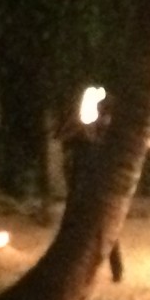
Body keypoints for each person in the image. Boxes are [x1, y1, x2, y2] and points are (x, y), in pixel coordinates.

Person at [58, 94, 124, 282]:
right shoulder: (81, 133)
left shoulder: (107, 133)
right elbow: (62, 136)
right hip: (81, 187)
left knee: (106, 230)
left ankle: (116, 270)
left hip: (99, 186)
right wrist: (79, 126)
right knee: (79, 230)